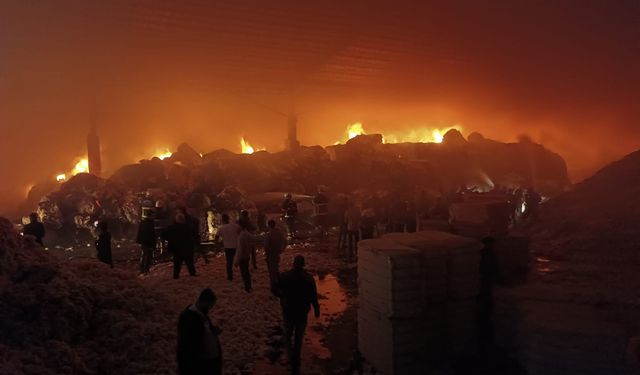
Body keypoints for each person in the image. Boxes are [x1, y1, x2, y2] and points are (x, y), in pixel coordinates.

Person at [276, 255, 320, 375]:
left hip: (288, 311)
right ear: (303, 264)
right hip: (302, 312)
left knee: (288, 334)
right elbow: (313, 295)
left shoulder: (285, 277)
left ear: (293, 263)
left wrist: (282, 296)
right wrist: (316, 308)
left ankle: (289, 356)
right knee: (299, 337)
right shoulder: (309, 278)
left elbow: (276, 290)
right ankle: (296, 358)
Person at [177, 288, 223, 375]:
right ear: (203, 302)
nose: (210, 308)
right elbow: (188, 347)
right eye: (210, 305)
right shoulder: (189, 319)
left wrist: (212, 330)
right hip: (202, 367)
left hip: (209, 364)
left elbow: (204, 331)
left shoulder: (201, 315)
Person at [478, 236, 500, 353]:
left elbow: (496, 268)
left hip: (487, 281)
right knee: (485, 300)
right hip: (484, 281)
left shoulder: (489, 254)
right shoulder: (484, 254)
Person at [164, 213, 197, 279]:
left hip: (176, 248)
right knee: (189, 261)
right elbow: (191, 237)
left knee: (177, 263)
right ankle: (192, 273)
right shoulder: (187, 227)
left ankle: (176, 275)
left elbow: (164, 234)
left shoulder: (172, 227)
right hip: (186, 248)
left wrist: (170, 239)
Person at [214, 214, 239, 281]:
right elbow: (240, 233)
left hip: (227, 247)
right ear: (228, 218)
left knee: (229, 262)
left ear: (222, 220)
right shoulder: (235, 226)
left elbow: (216, 238)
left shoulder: (221, 228)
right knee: (239, 260)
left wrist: (218, 245)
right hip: (236, 246)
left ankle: (230, 277)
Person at [264, 219, 287, 289]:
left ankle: (274, 286)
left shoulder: (269, 234)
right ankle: (279, 283)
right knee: (276, 269)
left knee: (272, 271)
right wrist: (282, 249)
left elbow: (266, 246)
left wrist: (266, 253)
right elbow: (285, 241)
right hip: (277, 253)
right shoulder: (279, 233)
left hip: (270, 254)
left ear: (269, 225)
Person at [234, 221, 254, 292]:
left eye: (238, 226)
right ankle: (248, 286)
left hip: (242, 257)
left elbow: (240, 249)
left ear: (241, 226)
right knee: (246, 272)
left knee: (244, 273)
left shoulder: (241, 236)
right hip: (247, 255)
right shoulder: (248, 234)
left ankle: (247, 288)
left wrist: (237, 260)